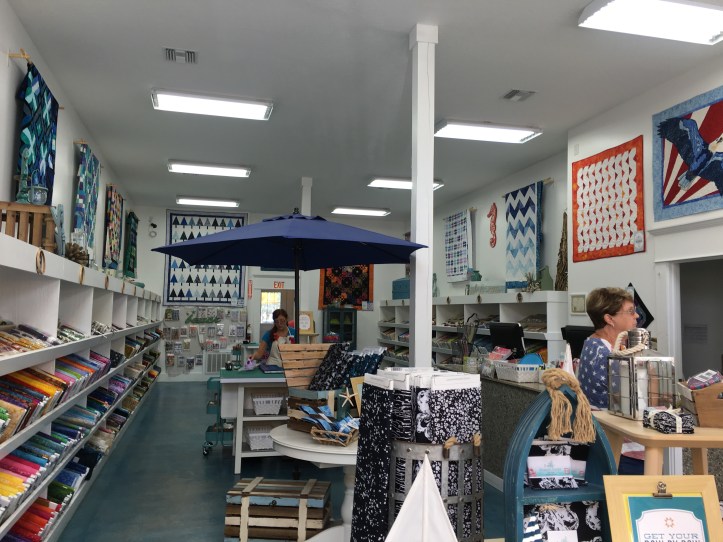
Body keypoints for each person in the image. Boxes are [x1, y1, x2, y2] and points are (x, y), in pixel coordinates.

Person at [578, 287, 638, 408]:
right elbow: (633, 405)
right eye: (630, 311)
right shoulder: (606, 356)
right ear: (609, 319)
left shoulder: (591, 342)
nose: (636, 315)